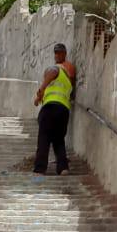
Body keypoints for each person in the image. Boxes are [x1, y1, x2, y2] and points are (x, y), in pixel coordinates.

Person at [33, 42, 78, 176]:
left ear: (64, 54)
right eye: (56, 53)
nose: (57, 55)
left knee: (44, 138)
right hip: (63, 111)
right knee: (59, 140)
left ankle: (40, 168)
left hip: (50, 107)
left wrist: (40, 92)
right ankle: (63, 168)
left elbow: (52, 73)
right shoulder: (68, 80)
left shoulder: (55, 68)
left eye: (59, 53)